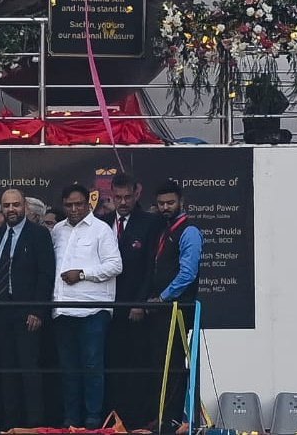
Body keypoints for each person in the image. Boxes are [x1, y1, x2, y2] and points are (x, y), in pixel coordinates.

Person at [50, 182, 122, 430]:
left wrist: (82, 274)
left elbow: (115, 265)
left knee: (92, 366)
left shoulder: (101, 230)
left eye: (78, 204)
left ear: (88, 203)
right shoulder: (57, 230)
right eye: (68, 205)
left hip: (93, 309)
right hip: (62, 309)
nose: (73, 209)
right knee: (68, 368)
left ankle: (93, 418)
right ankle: (72, 417)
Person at [0, 187, 55, 432]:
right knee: (7, 370)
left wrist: (37, 310)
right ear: (1, 208)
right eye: (7, 205)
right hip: (1, 312)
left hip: (28, 312)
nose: (11, 210)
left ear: (24, 206)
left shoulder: (38, 234)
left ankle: (34, 425)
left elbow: (46, 275)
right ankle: (10, 424)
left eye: (16, 205)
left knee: (29, 370)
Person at [102, 173, 161, 427]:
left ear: (137, 194)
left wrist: (141, 302)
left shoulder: (150, 223)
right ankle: (113, 418)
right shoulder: (102, 223)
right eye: (118, 197)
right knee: (111, 363)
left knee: (137, 364)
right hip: (106, 306)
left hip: (135, 307)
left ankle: (137, 420)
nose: (123, 202)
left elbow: (151, 267)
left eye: (127, 197)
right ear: (111, 195)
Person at [146, 180, 202, 428]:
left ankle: (173, 420)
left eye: (170, 203)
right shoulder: (161, 229)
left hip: (178, 309)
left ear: (181, 202)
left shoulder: (189, 231)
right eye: (161, 204)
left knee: (175, 364)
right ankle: (162, 417)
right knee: (161, 364)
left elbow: (187, 273)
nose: (165, 207)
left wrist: (164, 297)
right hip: (160, 310)